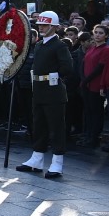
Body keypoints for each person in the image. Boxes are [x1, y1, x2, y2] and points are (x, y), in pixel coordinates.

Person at [16, 11, 73, 179]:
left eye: (45, 25)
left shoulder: (60, 45)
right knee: (38, 126)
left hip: (53, 92)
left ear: (54, 27)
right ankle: (37, 157)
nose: (41, 28)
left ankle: (57, 162)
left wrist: (55, 75)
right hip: (39, 90)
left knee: (56, 128)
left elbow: (67, 68)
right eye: (40, 25)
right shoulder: (40, 45)